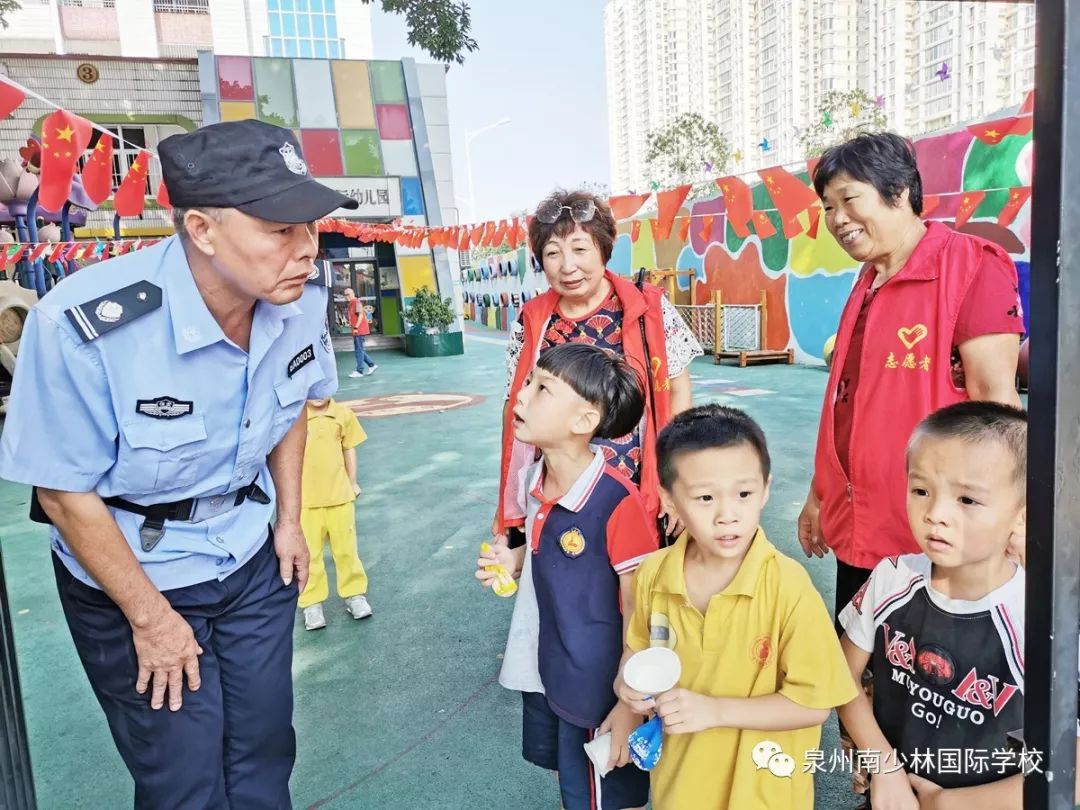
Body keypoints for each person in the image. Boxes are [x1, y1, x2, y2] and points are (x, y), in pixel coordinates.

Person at [0, 119, 357, 808]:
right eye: (280, 229)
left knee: (262, 754)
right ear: (202, 229)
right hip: (136, 573)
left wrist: (288, 519)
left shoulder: (299, 306)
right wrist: (150, 618)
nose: (307, 250)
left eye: (311, 227)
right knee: (184, 778)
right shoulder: (84, 327)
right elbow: (63, 492)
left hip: (250, 558)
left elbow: (290, 411)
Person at [799, 132, 1026, 622]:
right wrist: (819, 495)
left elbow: (996, 401)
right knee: (858, 670)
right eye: (827, 206)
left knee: (923, 680)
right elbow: (846, 407)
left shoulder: (970, 267)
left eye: (849, 199)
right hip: (859, 527)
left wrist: (1015, 514)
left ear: (899, 192)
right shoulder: (866, 282)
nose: (837, 219)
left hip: (931, 535)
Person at [617, 405, 857, 809]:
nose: (728, 515)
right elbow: (636, 650)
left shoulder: (788, 586)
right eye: (705, 497)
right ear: (669, 501)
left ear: (765, 488)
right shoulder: (653, 575)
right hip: (679, 789)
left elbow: (815, 704)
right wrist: (626, 686)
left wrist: (715, 711)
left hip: (764, 795)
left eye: (744, 494)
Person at [477, 343, 658, 810]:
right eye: (529, 381)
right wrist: (513, 563)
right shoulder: (534, 481)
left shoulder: (618, 503)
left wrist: (629, 703)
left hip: (601, 686)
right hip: (548, 666)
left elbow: (643, 608)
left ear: (584, 422)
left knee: (606, 792)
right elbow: (547, 554)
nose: (521, 395)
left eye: (542, 389)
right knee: (572, 783)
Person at [836, 401, 1033, 808]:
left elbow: (1071, 764)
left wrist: (946, 803)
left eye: (967, 500)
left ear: (1021, 516)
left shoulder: (1038, 620)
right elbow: (839, 676)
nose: (936, 514)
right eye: (921, 490)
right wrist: (882, 762)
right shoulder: (892, 577)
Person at [496, 190, 703, 552]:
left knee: (638, 589)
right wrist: (509, 505)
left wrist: (676, 481)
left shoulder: (648, 307)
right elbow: (514, 405)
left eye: (580, 249)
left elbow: (679, 396)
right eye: (553, 253)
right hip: (557, 489)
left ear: (604, 249)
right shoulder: (532, 320)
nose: (567, 266)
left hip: (636, 485)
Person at [297, 396, 372, 631]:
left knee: (347, 550)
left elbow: (348, 448)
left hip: (340, 498)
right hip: (306, 502)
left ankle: (354, 594)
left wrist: (353, 482)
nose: (319, 394)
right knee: (310, 555)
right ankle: (311, 603)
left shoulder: (342, 414)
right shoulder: (295, 417)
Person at [344, 287, 377, 378]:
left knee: (359, 350)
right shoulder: (351, 304)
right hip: (357, 331)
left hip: (359, 330)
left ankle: (360, 371)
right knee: (360, 349)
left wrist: (356, 327)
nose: (346, 297)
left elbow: (361, 315)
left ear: (352, 294)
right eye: (345, 295)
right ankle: (372, 365)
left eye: (348, 294)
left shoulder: (356, 302)